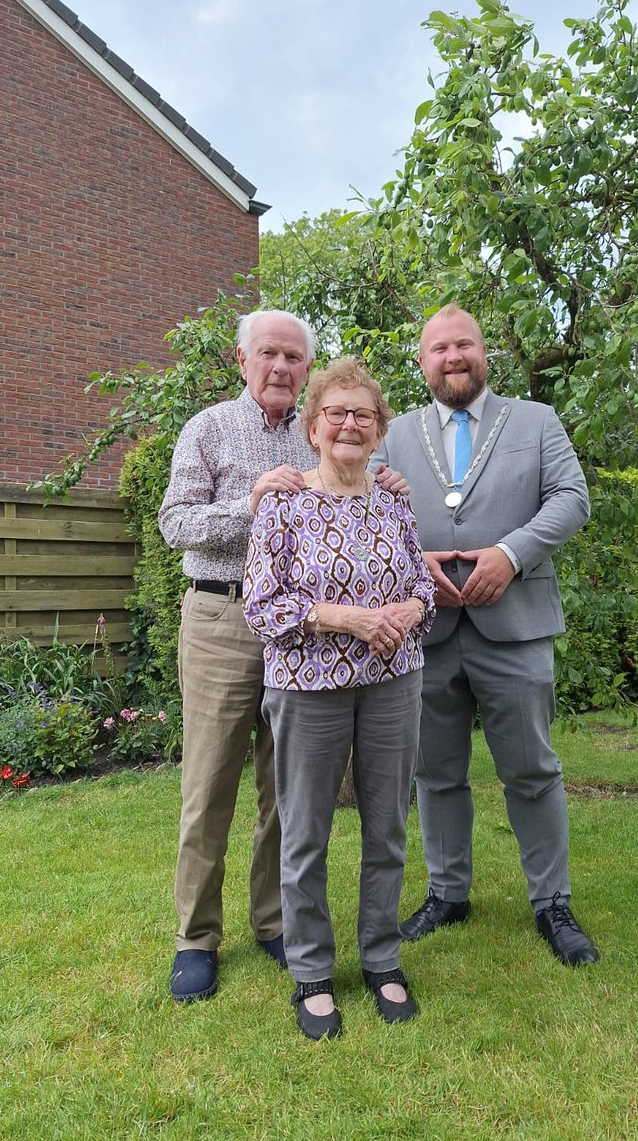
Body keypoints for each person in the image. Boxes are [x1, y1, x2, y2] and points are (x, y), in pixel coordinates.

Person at [158, 311, 407, 1005]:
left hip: (306, 641)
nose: (280, 367)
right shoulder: (208, 428)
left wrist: (387, 484)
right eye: (268, 353)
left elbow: (351, 482)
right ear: (242, 359)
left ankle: (274, 921)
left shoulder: (317, 429)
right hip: (223, 615)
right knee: (209, 784)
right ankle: (196, 939)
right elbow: (175, 522)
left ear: (307, 369)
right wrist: (250, 501)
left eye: (294, 357)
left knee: (285, 791)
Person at [370, 304, 600, 967]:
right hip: (428, 630)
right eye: (438, 348)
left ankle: (551, 902)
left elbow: (571, 498)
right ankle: (448, 892)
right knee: (434, 772)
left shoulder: (535, 421)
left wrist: (511, 552)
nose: (452, 357)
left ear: (484, 351)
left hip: (516, 625)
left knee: (531, 769)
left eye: (463, 344)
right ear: (422, 362)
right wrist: (416, 567)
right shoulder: (395, 434)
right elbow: (368, 508)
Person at [244, 357, 435, 1040]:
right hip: (307, 689)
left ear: (380, 431)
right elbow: (261, 606)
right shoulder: (283, 502)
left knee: (386, 828)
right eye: (337, 413)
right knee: (305, 837)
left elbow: (424, 584)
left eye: (364, 415)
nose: (350, 424)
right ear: (313, 427)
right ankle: (312, 975)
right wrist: (349, 618)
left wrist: (407, 614)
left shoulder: (394, 500)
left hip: (393, 683)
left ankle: (382, 959)